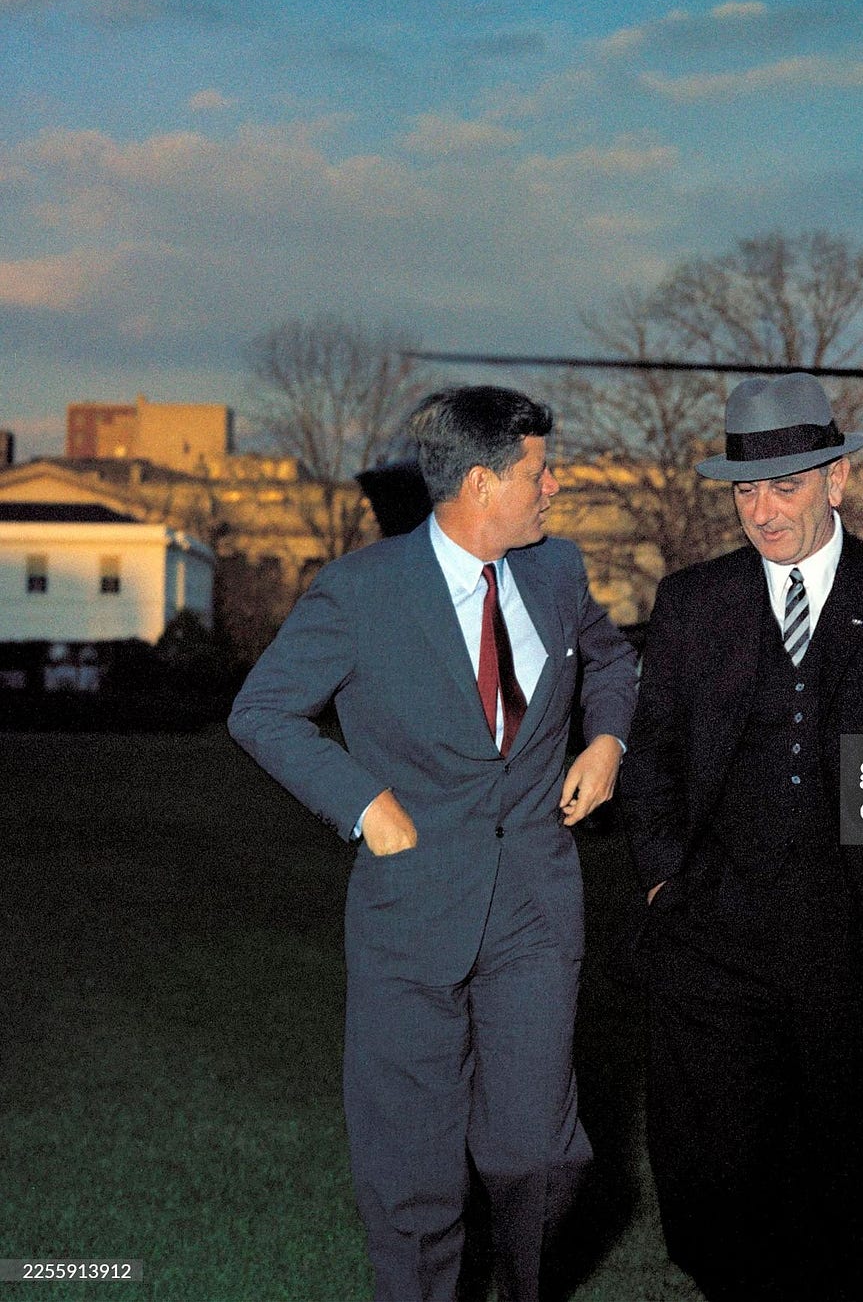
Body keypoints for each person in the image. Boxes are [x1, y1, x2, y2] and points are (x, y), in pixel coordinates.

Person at [228, 386, 637, 1302]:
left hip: (534, 914)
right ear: (483, 483)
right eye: (539, 472)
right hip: (410, 919)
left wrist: (607, 740)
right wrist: (362, 800)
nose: (555, 486)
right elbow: (262, 710)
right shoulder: (362, 590)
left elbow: (612, 661)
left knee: (539, 1157)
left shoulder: (557, 570)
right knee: (411, 1178)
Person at [617, 372, 863, 1302]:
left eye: (783, 487)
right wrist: (666, 882)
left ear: (836, 480)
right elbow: (653, 758)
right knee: (720, 1186)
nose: (762, 512)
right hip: (719, 945)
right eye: (746, 491)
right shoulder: (694, 603)